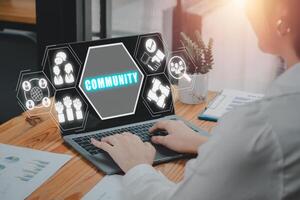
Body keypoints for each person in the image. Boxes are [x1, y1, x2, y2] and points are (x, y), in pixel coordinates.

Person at [91, 0, 300, 199]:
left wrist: (136, 166)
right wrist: (205, 144)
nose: (247, 11)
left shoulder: (258, 126)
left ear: (281, 13)